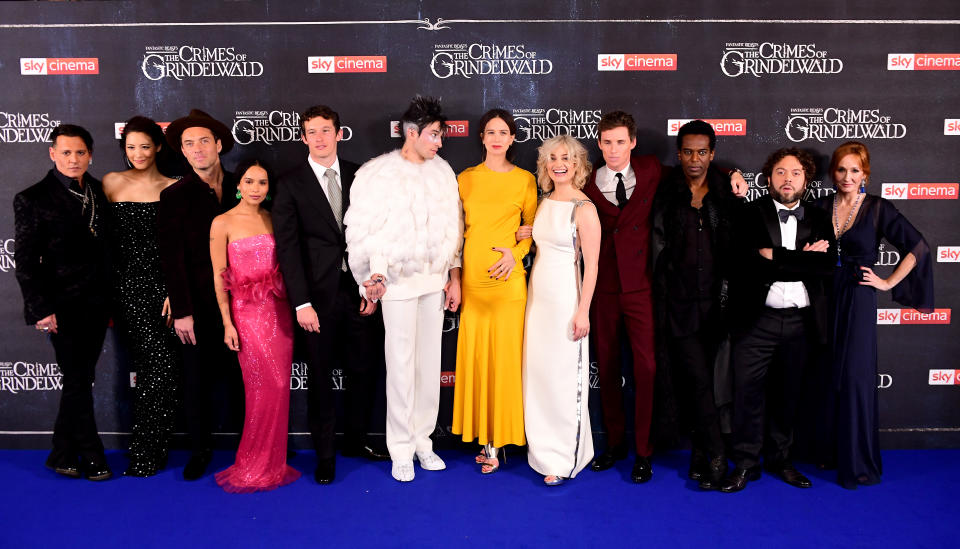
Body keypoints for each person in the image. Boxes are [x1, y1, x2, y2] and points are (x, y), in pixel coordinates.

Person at [578, 111, 747, 484]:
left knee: (648, 370)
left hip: (643, 288)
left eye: (621, 141)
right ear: (599, 143)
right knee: (606, 369)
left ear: (633, 142)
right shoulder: (586, 180)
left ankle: (644, 452)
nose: (613, 149)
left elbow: (697, 173)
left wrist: (732, 176)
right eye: (606, 142)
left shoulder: (653, 169)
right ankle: (616, 446)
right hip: (604, 289)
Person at [344, 96, 463, 482]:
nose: (439, 143)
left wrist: (452, 275)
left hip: (434, 283)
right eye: (433, 135)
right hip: (396, 286)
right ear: (411, 133)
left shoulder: (443, 172)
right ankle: (400, 449)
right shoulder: (377, 174)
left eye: (440, 136)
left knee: (429, 367)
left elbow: (453, 229)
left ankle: (422, 442)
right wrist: (375, 275)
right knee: (400, 366)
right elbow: (365, 233)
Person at [274, 105, 388, 485]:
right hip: (316, 300)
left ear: (340, 133)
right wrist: (301, 303)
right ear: (303, 137)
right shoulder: (290, 183)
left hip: (360, 293)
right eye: (312, 131)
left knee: (364, 371)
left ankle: (357, 442)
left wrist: (373, 286)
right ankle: (325, 455)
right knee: (320, 378)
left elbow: (377, 234)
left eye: (326, 130)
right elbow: (287, 249)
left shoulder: (362, 176)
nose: (320, 137)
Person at [814, 141, 933, 489]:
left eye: (855, 170)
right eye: (841, 169)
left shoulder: (879, 208)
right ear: (833, 173)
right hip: (824, 298)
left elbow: (918, 247)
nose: (847, 176)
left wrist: (887, 283)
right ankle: (831, 452)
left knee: (855, 379)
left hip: (858, 298)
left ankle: (858, 462)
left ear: (865, 174)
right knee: (827, 375)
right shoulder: (821, 206)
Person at [720, 148, 834, 493]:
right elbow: (744, 263)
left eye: (796, 173)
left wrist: (777, 257)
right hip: (756, 321)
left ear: (806, 180)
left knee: (789, 395)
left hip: (801, 323)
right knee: (747, 395)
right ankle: (744, 463)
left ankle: (781, 460)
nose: (788, 179)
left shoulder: (818, 216)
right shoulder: (750, 213)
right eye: (781, 172)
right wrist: (802, 259)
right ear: (768, 178)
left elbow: (826, 266)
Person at [13, 124, 113, 480]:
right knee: (75, 379)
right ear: (52, 154)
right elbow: (24, 261)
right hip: (62, 305)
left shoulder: (101, 192)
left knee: (80, 378)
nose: (74, 159)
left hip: (99, 303)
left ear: (90, 155)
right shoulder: (32, 197)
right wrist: (40, 308)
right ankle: (92, 453)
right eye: (66, 152)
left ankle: (61, 452)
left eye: (80, 152)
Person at [650, 120, 744, 489]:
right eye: (687, 151)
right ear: (678, 154)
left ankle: (699, 455)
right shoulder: (667, 192)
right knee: (699, 380)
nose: (694, 159)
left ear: (712, 154)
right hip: (679, 306)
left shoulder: (724, 191)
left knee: (711, 383)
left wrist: (732, 173)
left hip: (719, 306)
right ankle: (718, 454)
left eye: (702, 152)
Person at [451, 109, 537, 473]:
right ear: (482, 138)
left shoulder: (526, 181)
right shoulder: (464, 179)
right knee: (477, 360)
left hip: (508, 282)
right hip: (472, 280)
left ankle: (499, 441)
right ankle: (482, 435)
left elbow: (532, 232)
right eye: (491, 132)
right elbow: (454, 233)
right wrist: (454, 277)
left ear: (513, 138)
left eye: (504, 132)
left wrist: (515, 256)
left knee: (505, 362)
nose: (497, 138)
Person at [158, 109, 241, 480]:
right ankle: (200, 450)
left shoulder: (247, 185)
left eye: (203, 141)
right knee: (195, 381)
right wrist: (182, 310)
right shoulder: (175, 196)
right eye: (188, 144)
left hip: (246, 301)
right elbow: (171, 258)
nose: (196, 149)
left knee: (245, 379)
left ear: (219, 144)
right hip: (199, 303)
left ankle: (250, 445)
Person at [209, 159, 301, 493]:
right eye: (249, 182)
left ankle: (273, 462)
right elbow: (220, 279)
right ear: (238, 184)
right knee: (261, 387)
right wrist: (226, 323)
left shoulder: (274, 218)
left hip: (279, 313)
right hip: (246, 316)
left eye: (262, 183)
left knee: (278, 387)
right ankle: (251, 462)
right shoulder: (222, 222)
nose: (255, 189)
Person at [101, 116, 181, 477]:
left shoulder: (174, 186)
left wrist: (173, 290)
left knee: (161, 368)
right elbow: (100, 242)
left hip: (162, 289)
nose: (138, 153)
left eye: (145, 146)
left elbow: (180, 249)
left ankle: (151, 447)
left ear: (159, 147)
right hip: (125, 287)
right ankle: (144, 450)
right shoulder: (111, 183)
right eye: (130, 147)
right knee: (155, 365)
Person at [522, 134, 601, 486]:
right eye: (552, 157)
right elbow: (540, 243)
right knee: (539, 377)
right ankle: (539, 451)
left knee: (563, 378)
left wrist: (583, 310)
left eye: (566, 157)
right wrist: (528, 230)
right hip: (537, 301)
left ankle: (563, 457)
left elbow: (593, 266)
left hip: (566, 300)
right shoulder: (545, 201)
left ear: (578, 164)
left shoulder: (584, 208)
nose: (559, 163)